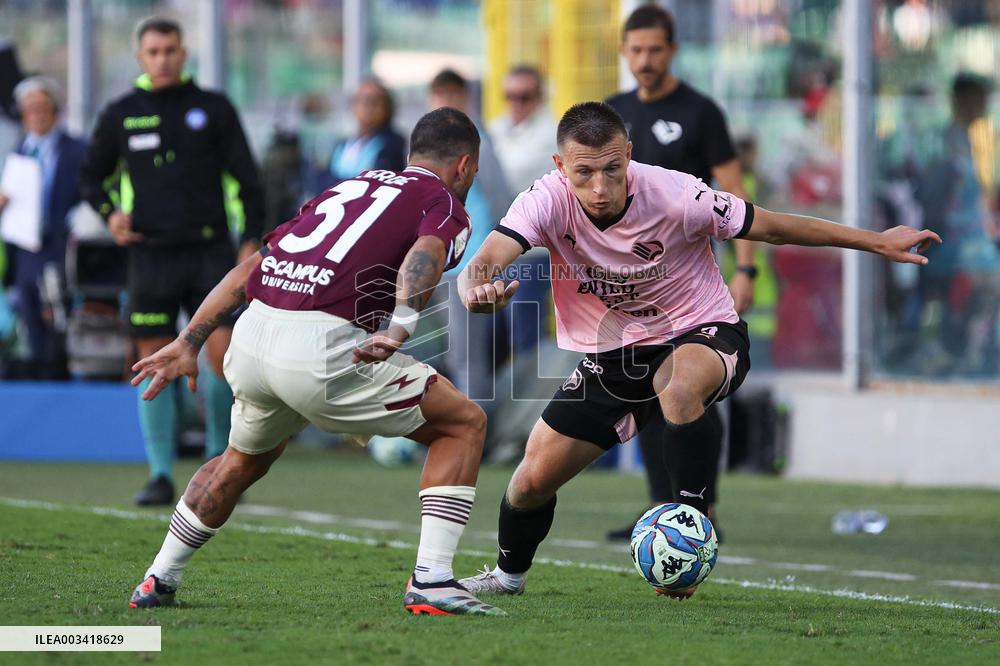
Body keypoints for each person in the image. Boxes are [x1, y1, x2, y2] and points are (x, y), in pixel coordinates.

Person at [456, 101, 939, 599]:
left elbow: (771, 225)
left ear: (629, 154)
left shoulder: (677, 194)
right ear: (561, 167)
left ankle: (691, 527)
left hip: (704, 331)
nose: (599, 187)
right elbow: (489, 256)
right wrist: (475, 289)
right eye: (584, 173)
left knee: (678, 386)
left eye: (612, 169)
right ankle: (507, 577)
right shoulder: (544, 200)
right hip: (617, 353)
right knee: (531, 479)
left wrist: (876, 242)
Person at [126, 107, 504, 617]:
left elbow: (253, 267)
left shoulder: (349, 187)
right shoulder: (439, 199)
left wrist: (190, 339)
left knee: (240, 460)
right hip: (319, 347)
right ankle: (432, 579)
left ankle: (158, 578)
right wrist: (400, 327)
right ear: (464, 165)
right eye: (472, 172)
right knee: (463, 423)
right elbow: (428, 252)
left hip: (253, 335)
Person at [78, 18, 265, 506]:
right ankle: (161, 473)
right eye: (154, 51)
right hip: (151, 256)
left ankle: (219, 468)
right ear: (141, 57)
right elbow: (90, 179)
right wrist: (110, 215)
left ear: (185, 54)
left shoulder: (214, 108)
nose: (162, 58)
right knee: (156, 362)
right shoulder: (121, 113)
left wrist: (250, 243)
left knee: (226, 359)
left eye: (171, 50)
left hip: (211, 256)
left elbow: (249, 181)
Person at [604, 5, 758, 539]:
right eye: (637, 50)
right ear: (625, 51)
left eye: (655, 50)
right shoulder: (612, 114)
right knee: (643, 390)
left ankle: (699, 506)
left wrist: (748, 270)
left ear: (672, 51)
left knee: (685, 388)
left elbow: (735, 194)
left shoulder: (700, 113)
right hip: (630, 286)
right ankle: (659, 507)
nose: (645, 60)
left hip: (691, 286)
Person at [427, 69, 512, 401]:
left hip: (468, 264)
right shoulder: (429, 143)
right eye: (440, 94)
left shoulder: (477, 142)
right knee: (453, 355)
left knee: (467, 357)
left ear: (465, 98)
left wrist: (491, 260)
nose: (445, 102)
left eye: (452, 94)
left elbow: (501, 200)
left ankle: (476, 436)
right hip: (438, 264)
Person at [0, 76, 86, 379]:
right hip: (24, 250)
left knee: (58, 318)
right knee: (29, 316)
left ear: (55, 110)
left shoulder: (77, 150)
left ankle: (60, 377)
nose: (37, 114)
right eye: (30, 109)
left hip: (60, 246)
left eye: (42, 107)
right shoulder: (17, 152)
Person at [488, 65, 558, 195]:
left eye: (524, 97)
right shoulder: (497, 125)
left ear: (540, 97)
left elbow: (510, 176)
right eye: (510, 96)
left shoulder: (551, 134)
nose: (516, 103)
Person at [328, 77, 406, 184]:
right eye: (361, 99)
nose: (367, 105)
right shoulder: (343, 143)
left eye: (374, 100)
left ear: (387, 106)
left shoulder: (393, 144)